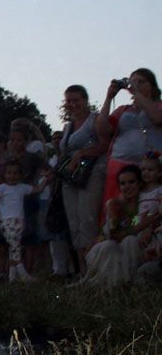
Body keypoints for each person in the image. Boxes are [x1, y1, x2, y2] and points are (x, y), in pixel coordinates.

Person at [76, 165, 159, 287]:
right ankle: (112, 286)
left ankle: (130, 283)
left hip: (131, 248)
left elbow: (140, 222)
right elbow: (115, 235)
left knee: (131, 241)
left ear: (140, 183)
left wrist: (147, 227)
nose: (127, 187)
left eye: (131, 182)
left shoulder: (143, 204)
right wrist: (142, 225)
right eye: (123, 183)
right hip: (108, 246)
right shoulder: (114, 204)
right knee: (113, 245)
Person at [95, 69, 162, 214]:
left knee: (146, 207)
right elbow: (101, 128)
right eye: (133, 81)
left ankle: (141, 231)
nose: (135, 85)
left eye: (141, 81)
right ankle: (119, 232)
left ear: (152, 86)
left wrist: (136, 92)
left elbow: (157, 118)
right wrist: (109, 97)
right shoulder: (123, 110)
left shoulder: (158, 106)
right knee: (118, 208)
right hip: (121, 164)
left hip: (150, 167)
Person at [58, 85, 108, 275]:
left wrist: (83, 153)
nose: (72, 104)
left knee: (88, 220)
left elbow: (104, 144)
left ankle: (94, 271)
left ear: (85, 100)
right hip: (70, 178)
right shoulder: (68, 127)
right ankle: (82, 270)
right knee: (74, 223)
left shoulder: (94, 120)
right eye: (68, 101)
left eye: (76, 100)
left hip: (91, 174)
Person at [0, 161, 48, 282]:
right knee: (15, 246)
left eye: (15, 173)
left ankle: (12, 276)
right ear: (4, 174)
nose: (12, 176)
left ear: (20, 175)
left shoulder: (22, 187)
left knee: (13, 247)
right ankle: (23, 273)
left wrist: (45, 178)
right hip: (6, 222)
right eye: (9, 173)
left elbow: (38, 189)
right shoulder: (2, 188)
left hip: (19, 222)